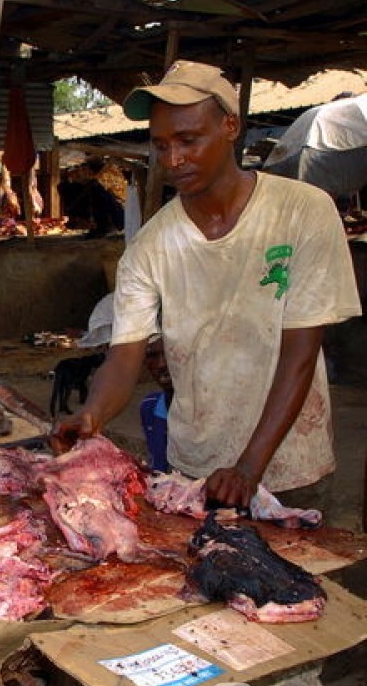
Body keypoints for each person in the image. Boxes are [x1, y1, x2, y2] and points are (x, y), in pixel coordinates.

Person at [51, 60, 362, 511]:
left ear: (230, 127)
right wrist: (91, 414)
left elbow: (300, 352)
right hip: (192, 471)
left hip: (291, 468)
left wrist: (249, 468)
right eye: (161, 145)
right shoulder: (150, 246)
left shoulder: (303, 212)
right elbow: (124, 357)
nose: (173, 160)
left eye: (188, 140)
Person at [139, 335, 174, 472]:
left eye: (170, 352)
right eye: (152, 355)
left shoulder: (212, 414)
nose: (161, 364)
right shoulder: (149, 407)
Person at [84, 156, 125, 238]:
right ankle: (102, 227)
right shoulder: (108, 170)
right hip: (120, 205)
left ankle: (103, 228)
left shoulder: (105, 174)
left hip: (120, 206)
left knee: (97, 191)